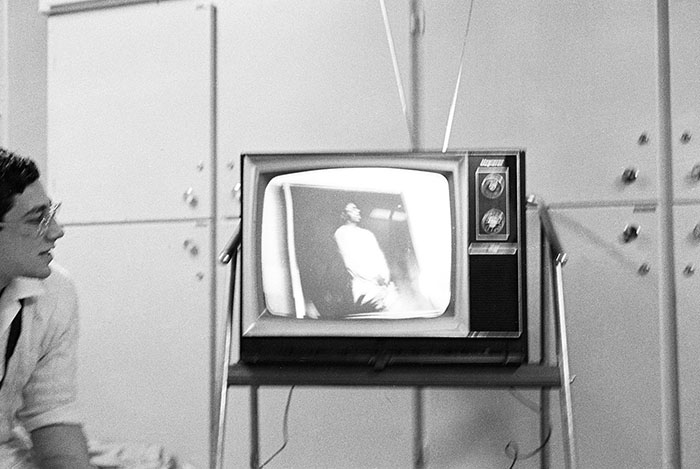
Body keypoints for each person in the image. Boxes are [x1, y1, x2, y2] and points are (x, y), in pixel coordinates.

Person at [0, 148, 93, 468]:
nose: (56, 231)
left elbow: (50, 413)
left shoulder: (54, 293)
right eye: (36, 219)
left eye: (50, 213)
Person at [333, 202, 396, 313]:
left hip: (383, 286)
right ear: (343, 214)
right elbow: (351, 262)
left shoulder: (367, 234)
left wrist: (385, 277)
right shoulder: (341, 233)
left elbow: (379, 257)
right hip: (364, 287)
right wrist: (374, 278)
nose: (358, 211)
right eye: (353, 209)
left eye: (357, 208)